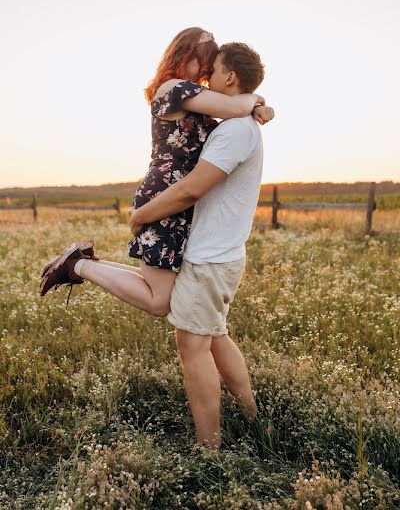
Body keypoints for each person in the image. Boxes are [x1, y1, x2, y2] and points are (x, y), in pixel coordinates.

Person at [39, 28, 272, 319]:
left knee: (163, 289)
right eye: (201, 62)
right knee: (159, 301)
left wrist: (256, 105)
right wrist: (258, 100)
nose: (203, 71)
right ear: (182, 55)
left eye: (209, 65)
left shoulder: (198, 96)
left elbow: (235, 107)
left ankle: (80, 260)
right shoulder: (173, 88)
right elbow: (235, 106)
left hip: (181, 197)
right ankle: (77, 266)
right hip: (165, 193)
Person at [129, 42, 269, 447]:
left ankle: (210, 451)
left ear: (229, 78)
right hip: (219, 256)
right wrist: (258, 102)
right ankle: (252, 417)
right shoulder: (234, 123)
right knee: (215, 337)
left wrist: (141, 215)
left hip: (209, 258)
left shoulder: (234, 130)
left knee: (193, 348)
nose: (206, 73)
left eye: (215, 67)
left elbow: (190, 190)